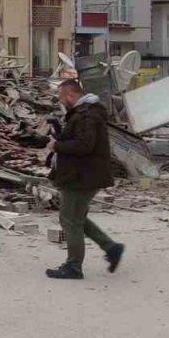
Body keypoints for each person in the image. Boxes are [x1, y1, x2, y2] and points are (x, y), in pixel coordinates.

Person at [45, 79, 124, 280]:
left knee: (69, 220)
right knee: (77, 217)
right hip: (84, 174)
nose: (61, 101)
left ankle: (73, 267)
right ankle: (111, 248)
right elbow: (79, 139)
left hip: (81, 176)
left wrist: (57, 147)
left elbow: (84, 145)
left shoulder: (87, 115)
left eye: (62, 97)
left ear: (71, 95)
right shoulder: (85, 113)